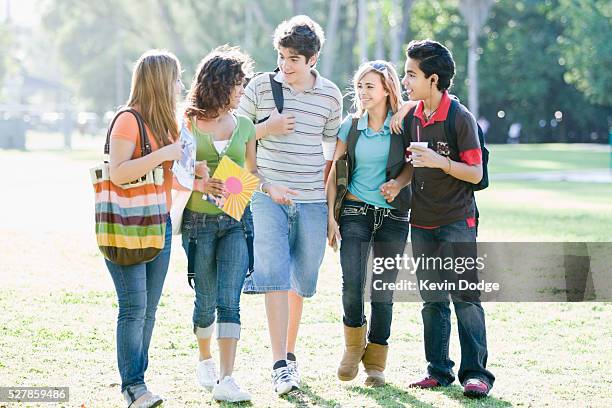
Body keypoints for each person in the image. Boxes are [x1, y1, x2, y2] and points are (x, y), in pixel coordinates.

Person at [237, 15, 343, 395]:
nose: (284, 65)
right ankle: (280, 363)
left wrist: (330, 210)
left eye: (293, 59)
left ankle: (289, 354)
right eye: (281, 56)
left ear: (312, 59)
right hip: (267, 196)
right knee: (275, 276)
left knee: (302, 279)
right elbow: (235, 133)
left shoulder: (331, 96)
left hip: (313, 201)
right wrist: (269, 128)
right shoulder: (261, 87)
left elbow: (333, 152)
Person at [395, 39, 495, 398]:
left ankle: (477, 374)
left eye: (410, 74)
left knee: (465, 299)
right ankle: (438, 370)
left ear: (433, 79)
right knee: (432, 299)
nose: (405, 80)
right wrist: (397, 183)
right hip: (421, 221)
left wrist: (441, 162)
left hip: (457, 221)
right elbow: (410, 163)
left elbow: (475, 173)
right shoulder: (412, 116)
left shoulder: (460, 118)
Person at [326, 60, 413, 387]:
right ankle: (353, 346)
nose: (362, 93)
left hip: (392, 218)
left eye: (369, 87)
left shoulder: (403, 126)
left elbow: (413, 167)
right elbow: (334, 172)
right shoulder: (351, 126)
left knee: (383, 291)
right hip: (354, 213)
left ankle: (375, 362)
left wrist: (398, 184)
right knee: (352, 283)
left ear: (387, 89)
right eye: (359, 86)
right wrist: (331, 218)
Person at [106, 50, 184, 408]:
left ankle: (139, 382)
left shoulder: (167, 124)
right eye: (175, 79)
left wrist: (203, 180)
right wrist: (164, 153)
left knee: (149, 309)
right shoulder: (128, 120)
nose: (179, 86)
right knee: (133, 307)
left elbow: (173, 178)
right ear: (160, 82)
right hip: (127, 227)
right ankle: (133, 387)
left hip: (159, 224)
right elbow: (118, 172)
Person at [181, 46, 257, 403]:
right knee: (205, 300)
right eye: (238, 83)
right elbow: (173, 171)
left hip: (236, 221)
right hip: (198, 223)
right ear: (220, 83)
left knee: (230, 300)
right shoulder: (187, 123)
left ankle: (227, 378)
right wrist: (199, 182)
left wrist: (240, 184)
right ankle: (205, 358)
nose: (242, 90)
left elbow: (251, 172)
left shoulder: (244, 125)